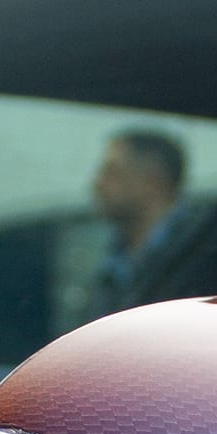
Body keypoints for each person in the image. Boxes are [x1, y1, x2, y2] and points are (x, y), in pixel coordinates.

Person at [85, 128, 198, 316]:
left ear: (152, 183)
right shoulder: (114, 260)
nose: (97, 183)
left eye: (112, 172)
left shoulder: (198, 253)